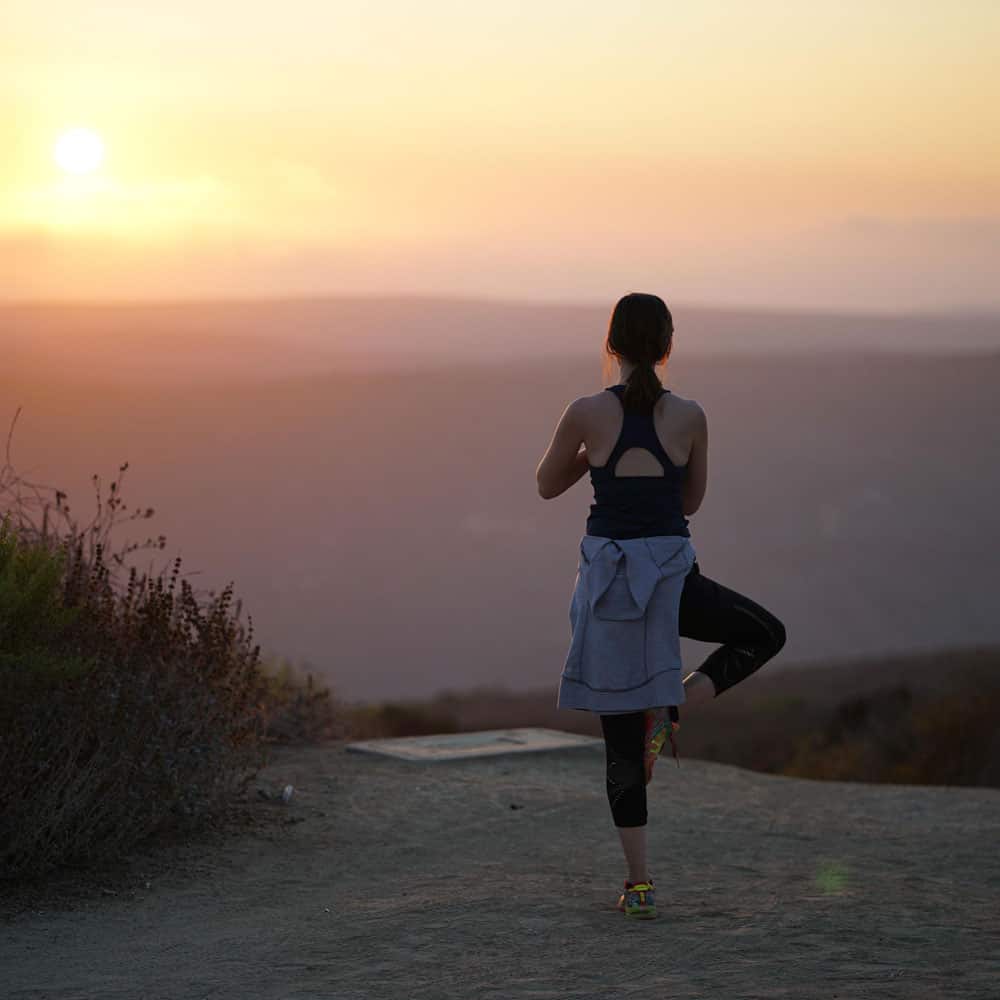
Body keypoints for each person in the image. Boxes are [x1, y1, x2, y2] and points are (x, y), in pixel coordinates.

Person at [535, 292, 787, 919]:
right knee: (763, 633)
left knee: (618, 741)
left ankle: (639, 884)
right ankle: (676, 703)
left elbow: (546, 484)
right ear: (668, 345)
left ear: (611, 344)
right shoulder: (692, 415)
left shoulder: (585, 411)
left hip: (609, 591)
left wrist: (595, 455)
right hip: (672, 583)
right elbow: (691, 503)